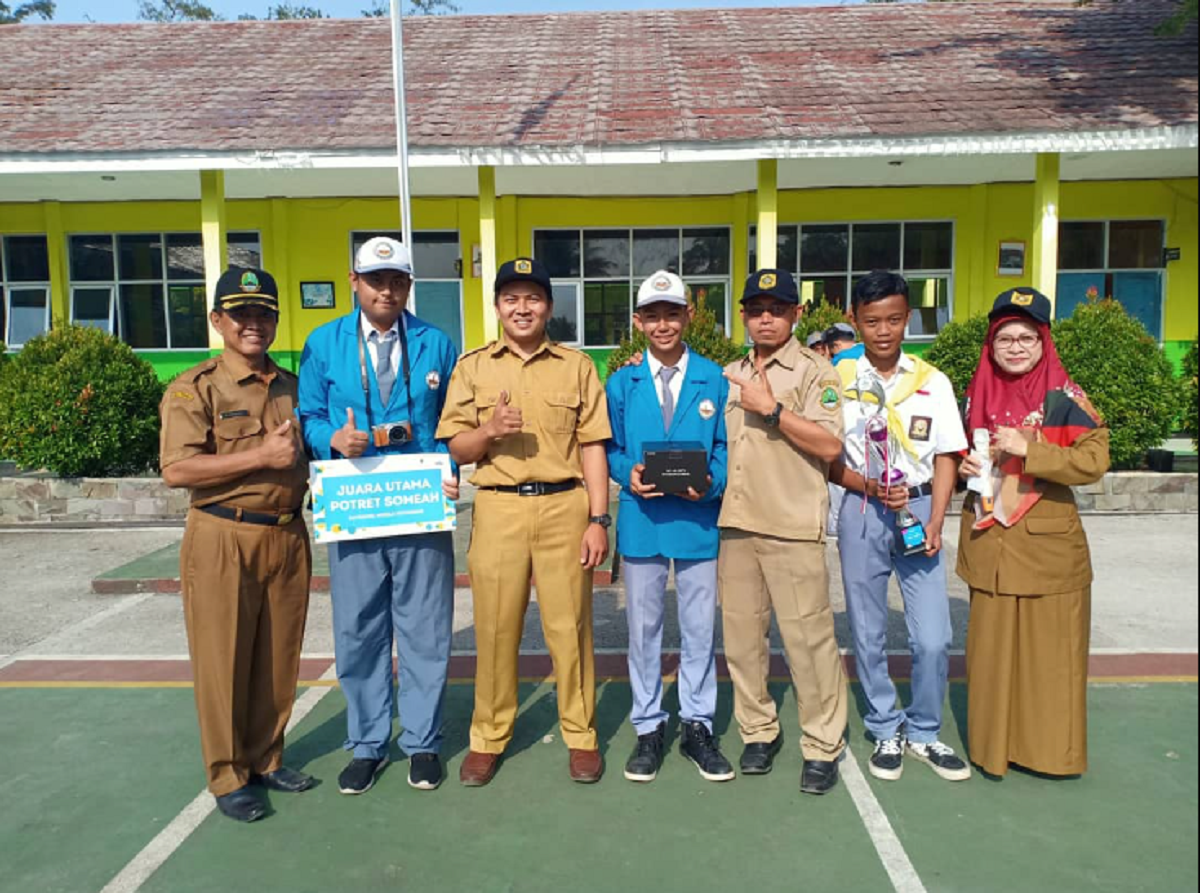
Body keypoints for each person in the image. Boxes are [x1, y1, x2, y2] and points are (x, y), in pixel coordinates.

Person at [436, 257, 612, 786]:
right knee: (495, 627)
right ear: (497, 307)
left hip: (565, 506)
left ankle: (581, 734)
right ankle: (488, 736)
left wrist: (599, 518)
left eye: (532, 298)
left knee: (571, 628)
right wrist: (488, 429)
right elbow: (456, 449)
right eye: (511, 298)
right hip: (498, 506)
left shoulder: (576, 366)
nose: (522, 307)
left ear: (549, 307)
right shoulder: (473, 367)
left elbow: (593, 445)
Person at [298, 237, 460, 795]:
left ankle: (422, 742)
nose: (386, 290)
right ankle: (366, 743)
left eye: (397, 281)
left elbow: (451, 423)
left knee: (425, 629)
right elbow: (308, 416)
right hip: (355, 507)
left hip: (418, 507)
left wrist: (450, 463)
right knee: (359, 628)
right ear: (354, 281)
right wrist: (332, 438)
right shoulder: (323, 343)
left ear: (408, 286)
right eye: (375, 280)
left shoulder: (437, 344)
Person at [159, 266, 313, 823]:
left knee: (277, 657)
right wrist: (258, 458)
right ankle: (227, 774)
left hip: (287, 534)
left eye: (263, 312)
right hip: (222, 535)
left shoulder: (293, 386)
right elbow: (178, 469)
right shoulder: (195, 387)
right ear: (218, 320)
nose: (254, 323)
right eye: (241, 313)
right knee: (223, 659)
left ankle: (267, 757)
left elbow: (313, 453)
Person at [957, 287, 1108, 778]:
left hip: (1047, 550)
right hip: (990, 542)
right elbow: (950, 454)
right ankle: (992, 750)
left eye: (1027, 337)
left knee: (1051, 659)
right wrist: (961, 468)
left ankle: (1048, 755)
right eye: (1006, 338)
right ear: (991, 344)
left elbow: (1094, 461)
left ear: (1044, 341)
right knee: (991, 658)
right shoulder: (973, 395)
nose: (1017, 347)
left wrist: (1030, 446)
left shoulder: (1065, 397)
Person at [828, 271, 971, 782]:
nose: (883, 331)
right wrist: (865, 485)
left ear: (908, 317)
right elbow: (826, 457)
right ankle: (886, 725)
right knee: (866, 630)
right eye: (871, 321)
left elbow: (950, 453)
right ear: (855, 321)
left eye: (893, 319)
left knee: (933, 636)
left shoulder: (933, 381)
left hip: (918, 512)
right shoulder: (836, 381)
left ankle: (926, 730)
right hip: (861, 511)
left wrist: (937, 519)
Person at [719, 268, 849, 795]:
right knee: (743, 641)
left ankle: (821, 744)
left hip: (792, 525)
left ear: (797, 314)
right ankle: (758, 731)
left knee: (809, 642)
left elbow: (830, 446)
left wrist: (771, 409)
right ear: (745, 316)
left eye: (777, 308)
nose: (765, 317)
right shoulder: (730, 372)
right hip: (737, 524)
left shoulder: (819, 373)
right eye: (756, 308)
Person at [605, 270, 733, 783]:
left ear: (688, 316)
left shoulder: (715, 378)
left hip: (698, 520)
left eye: (672, 313)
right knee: (644, 630)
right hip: (643, 521)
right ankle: (648, 725)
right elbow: (606, 447)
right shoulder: (621, 381)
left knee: (700, 628)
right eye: (652, 316)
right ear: (638, 322)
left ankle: (697, 723)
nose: (663, 325)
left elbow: (724, 446)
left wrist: (713, 480)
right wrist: (626, 473)